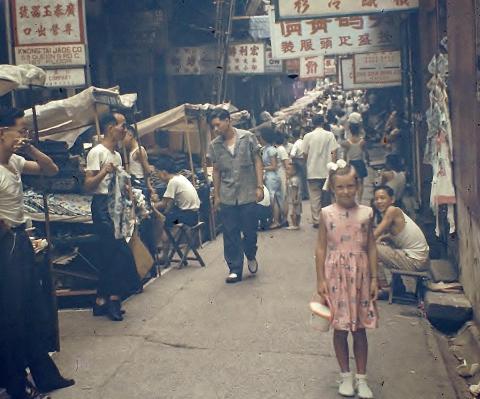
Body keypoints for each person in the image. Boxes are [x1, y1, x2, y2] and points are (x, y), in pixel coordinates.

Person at [0, 107, 74, 399]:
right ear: (2, 132)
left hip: (21, 241)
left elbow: (50, 169)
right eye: (19, 130)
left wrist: (29, 146)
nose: (23, 135)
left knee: (32, 311)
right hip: (8, 243)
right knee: (14, 317)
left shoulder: (16, 161)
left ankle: (45, 376)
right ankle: (17, 386)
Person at [315, 161, 378, 399]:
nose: (346, 191)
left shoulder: (367, 213)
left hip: (360, 277)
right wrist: (320, 280)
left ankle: (362, 379)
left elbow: (371, 246)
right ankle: (345, 376)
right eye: (340, 187)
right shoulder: (326, 214)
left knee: (360, 329)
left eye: (350, 186)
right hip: (336, 278)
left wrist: (374, 278)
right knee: (340, 329)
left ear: (358, 185)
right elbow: (321, 248)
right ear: (332, 188)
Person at [84, 112, 141, 322]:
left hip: (116, 206)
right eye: (122, 126)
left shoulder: (117, 155)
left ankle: (100, 301)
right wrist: (104, 172)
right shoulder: (96, 153)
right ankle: (114, 299)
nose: (125, 130)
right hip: (101, 208)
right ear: (110, 127)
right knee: (120, 252)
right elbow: (88, 185)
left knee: (110, 254)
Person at [207, 108, 264, 284]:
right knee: (230, 233)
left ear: (228, 120)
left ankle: (251, 254)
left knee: (249, 231)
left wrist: (259, 186)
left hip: (247, 193)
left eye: (218, 124)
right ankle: (235, 268)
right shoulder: (214, 145)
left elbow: (257, 161)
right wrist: (216, 195)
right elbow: (216, 171)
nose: (216, 129)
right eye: (213, 126)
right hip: (227, 195)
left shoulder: (247, 138)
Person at [373, 186, 429, 294]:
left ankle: (385, 288)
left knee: (373, 248)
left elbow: (374, 235)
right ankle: (398, 286)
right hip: (419, 260)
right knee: (385, 247)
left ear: (392, 199)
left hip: (415, 262)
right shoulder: (394, 213)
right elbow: (397, 235)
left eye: (382, 198)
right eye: (376, 199)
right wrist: (385, 238)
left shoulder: (392, 210)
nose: (379, 201)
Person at [151, 159, 201, 261]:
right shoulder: (180, 177)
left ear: (164, 172)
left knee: (164, 221)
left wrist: (150, 205)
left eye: (158, 173)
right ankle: (168, 243)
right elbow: (170, 203)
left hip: (186, 217)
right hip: (192, 214)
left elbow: (163, 204)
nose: (158, 176)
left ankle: (164, 251)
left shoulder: (173, 182)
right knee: (168, 217)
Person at [302, 114, 339, 228]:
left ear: (312, 123)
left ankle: (317, 220)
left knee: (315, 197)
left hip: (312, 170)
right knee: (329, 195)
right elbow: (333, 151)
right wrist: (333, 165)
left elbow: (305, 153)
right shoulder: (329, 135)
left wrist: (308, 163)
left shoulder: (307, 136)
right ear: (323, 122)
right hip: (327, 170)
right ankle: (329, 218)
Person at [260, 127, 284, 228]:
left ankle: (276, 221)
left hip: (272, 177)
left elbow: (274, 166)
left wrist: (262, 168)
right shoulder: (265, 149)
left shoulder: (270, 150)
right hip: (270, 176)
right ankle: (277, 219)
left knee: (273, 199)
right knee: (275, 198)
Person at [123, 125, 154, 198]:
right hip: (133, 181)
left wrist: (149, 186)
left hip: (139, 182)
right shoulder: (131, 151)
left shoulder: (139, 151)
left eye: (124, 136)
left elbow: (147, 170)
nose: (122, 140)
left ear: (130, 135)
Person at [341, 122, 369, 202]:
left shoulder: (347, 142)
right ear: (358, 131)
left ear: (350, 131)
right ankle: (359, 200)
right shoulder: (362, 141)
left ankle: (352, 198)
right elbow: (366, 153)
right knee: (361, 183)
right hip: (360, 162)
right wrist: (368, 161)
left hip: (352, 163)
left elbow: (345, 155)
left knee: (353, 183)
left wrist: (345, 164)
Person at [275, 132, 290, 223]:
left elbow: (286, 165)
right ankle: (284, 218)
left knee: (281, 197)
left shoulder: (277, 149)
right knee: (283, 197)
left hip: (279, 174)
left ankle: (283, 218)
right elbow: (287, 165)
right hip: (281, 174)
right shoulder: (281, 149)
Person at [285, 160, 302, 230]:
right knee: (297, 212)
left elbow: (294, 190)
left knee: (293, 212)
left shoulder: (293, 180)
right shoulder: (293, 179)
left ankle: (295, 224)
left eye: (288, 170)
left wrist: (294, 198)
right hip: (297, 199)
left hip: (294, 199)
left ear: (294, 171)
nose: (286, 171)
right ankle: (297, 224)